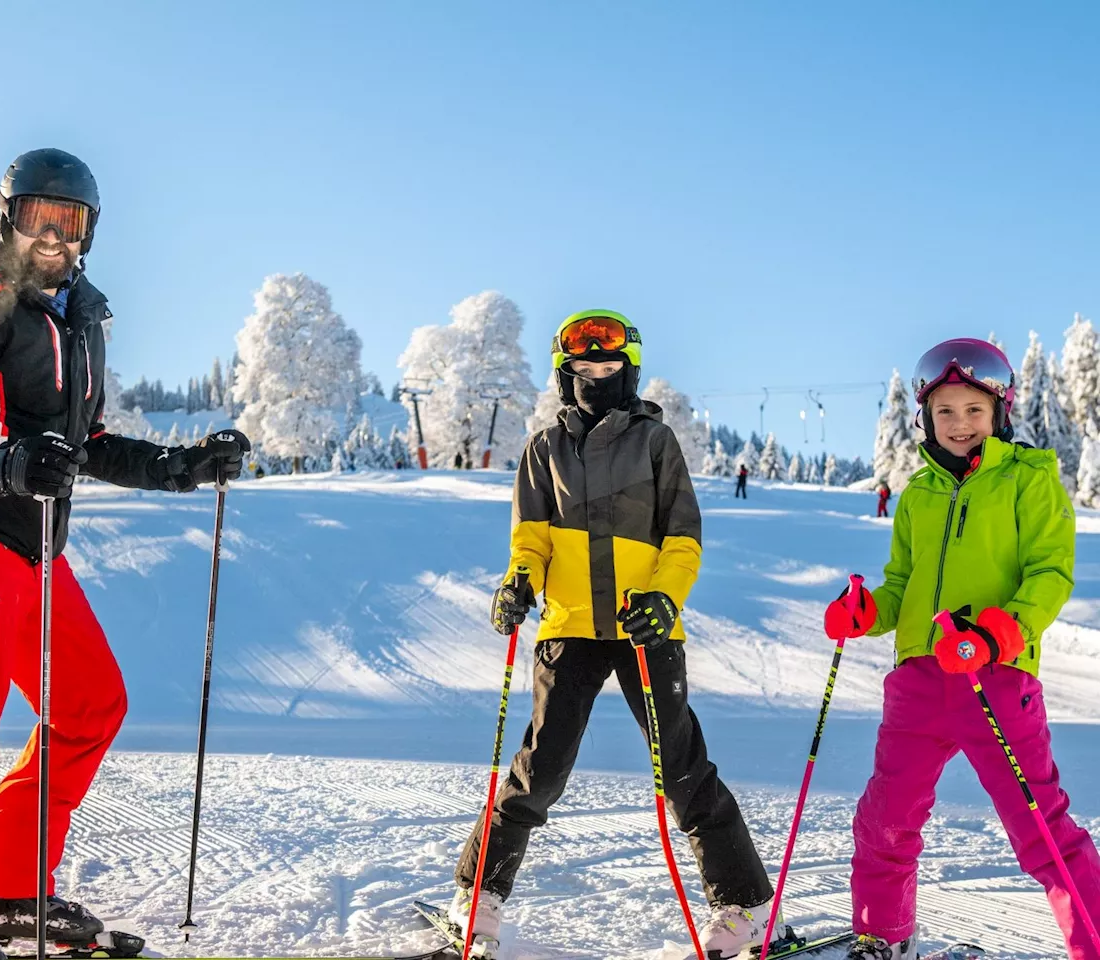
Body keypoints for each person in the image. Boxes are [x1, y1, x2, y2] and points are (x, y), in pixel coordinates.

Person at [0, 149, 251, 960]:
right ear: (8, 218)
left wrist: (180, 467)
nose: (53, 235)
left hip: (32, 539)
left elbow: (84, 443)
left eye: (70, 223)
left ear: (89, 234)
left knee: (91, 702)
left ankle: (3, 891)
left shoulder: (79, 318)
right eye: (39, 216)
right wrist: (2, 463)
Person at [447, 311, 775, 960]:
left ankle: (745, 906)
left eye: (609, 367)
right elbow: (531, 540)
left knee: (682, 770)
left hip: (645, 627)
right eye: (583, 370)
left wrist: (662, 596)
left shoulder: (655, 442)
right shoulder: (545, 449)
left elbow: (682, 537)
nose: (597, 376)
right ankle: (477, 896)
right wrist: (518, 583)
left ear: (629, 370)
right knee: (540, 770)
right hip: (570, 626)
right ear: (566, 376)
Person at [823, 338, 1099, 959]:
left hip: (995, 679)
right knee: (885, 820)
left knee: (1041, 828)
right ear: (926, 417)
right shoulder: (918, 493)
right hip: (919, 681)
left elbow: (1050, 575)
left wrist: (998, 633)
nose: (959, 424)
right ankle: (883, 938)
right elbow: (900, 584)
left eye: (973, 410)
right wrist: (867, 614)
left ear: (998, 412)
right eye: (944, 411)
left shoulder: (1029, 479)